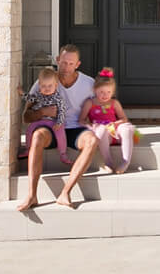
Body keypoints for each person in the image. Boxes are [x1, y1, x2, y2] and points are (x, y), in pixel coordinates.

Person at [16, 45, 97, 211]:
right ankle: (32, 195)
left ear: (77, 64)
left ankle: (65, 193)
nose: (66, 67)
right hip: (51, 127)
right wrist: (42, 112)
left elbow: (101, 111)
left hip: (75, 129)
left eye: (70, 63)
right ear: (57, 60)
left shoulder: (89, 84)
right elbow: (26, 117)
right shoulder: (44, 82)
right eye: (63, 62)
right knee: (38, 136)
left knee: (92, 140)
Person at [53, 69, 135, 208]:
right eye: (102, 92)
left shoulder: (114, 103)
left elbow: (123, 118)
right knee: (101, 130)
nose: (105, 96)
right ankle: (108, 162)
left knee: (127, 128)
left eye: (108, 92)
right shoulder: (90, 103)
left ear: (113, 93)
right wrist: (91, 126)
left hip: (114, 130)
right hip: (103, 133)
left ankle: (125, 161)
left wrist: (116, 123)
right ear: (95, 90)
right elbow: (81, 120)